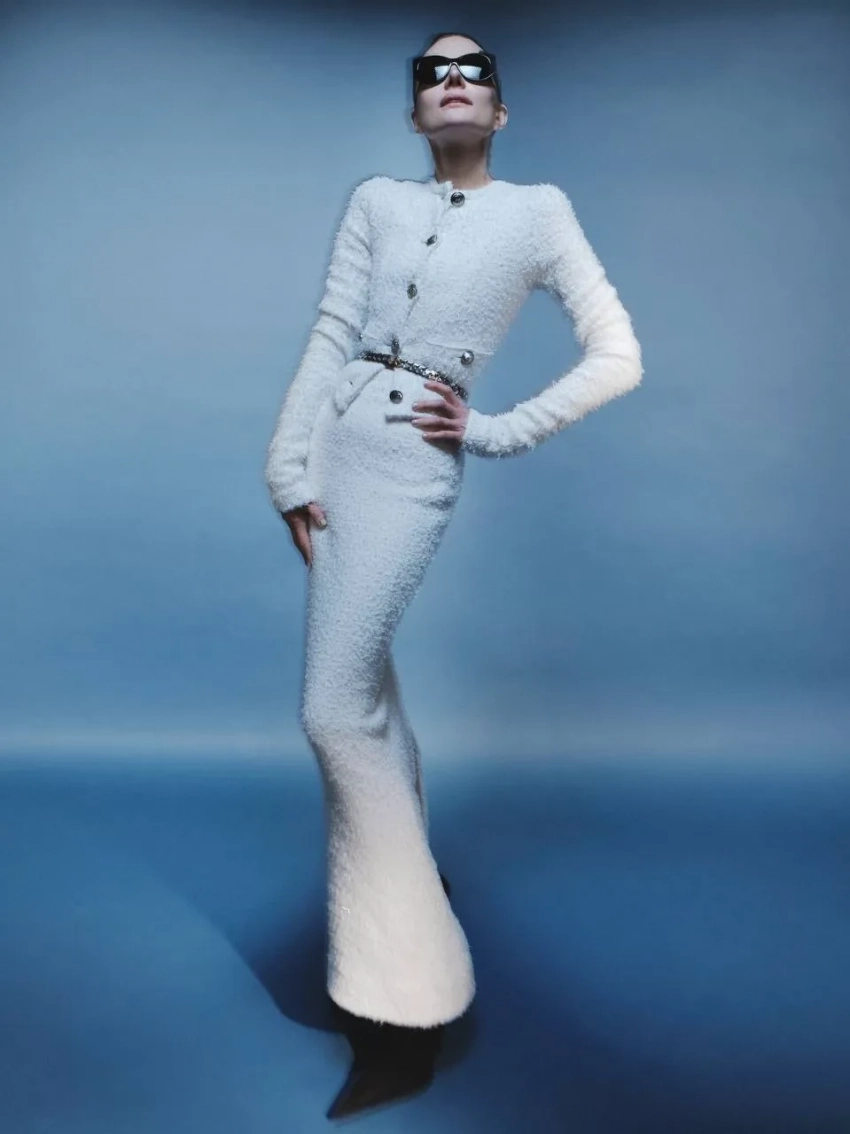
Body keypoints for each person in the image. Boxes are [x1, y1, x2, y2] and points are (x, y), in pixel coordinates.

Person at [264, 29, 643, 1120]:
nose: (453, 81)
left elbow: (619, 355)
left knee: (333, 711)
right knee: (368, 698)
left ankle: (406, 1006)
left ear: (501, 110)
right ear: (415, 113)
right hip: (336, 452)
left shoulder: (539, 213)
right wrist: (287, 467)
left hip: (409, 469)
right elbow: (332, 331)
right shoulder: (376, 200)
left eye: (473, 69)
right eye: (432, 73)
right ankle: (411, 875)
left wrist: (493, 430)